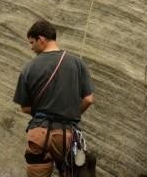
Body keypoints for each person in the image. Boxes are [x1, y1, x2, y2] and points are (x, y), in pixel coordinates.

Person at [13, 19, 95, 177]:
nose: (31, 48)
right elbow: (89, 99)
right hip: (65, 135)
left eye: (32, 43)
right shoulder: (77, 63)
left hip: (38, 134)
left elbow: (24, 107)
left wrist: (45, 112)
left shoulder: (29, 67)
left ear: (41, 39)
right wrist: (70, 114)